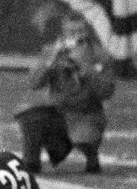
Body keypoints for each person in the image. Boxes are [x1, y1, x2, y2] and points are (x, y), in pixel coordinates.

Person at [15, 14, 116, 174]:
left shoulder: (99, 55)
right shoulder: (52, 51)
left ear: (87, 32)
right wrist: (50, 62)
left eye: (80, 31)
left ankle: (91, 156)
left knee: (85, 138)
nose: (76, 36)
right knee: (29, 116)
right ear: (63, 33)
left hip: (86, 115)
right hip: (59, 115)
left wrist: (86, 69)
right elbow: (34, 83)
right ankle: (31, 162)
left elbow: (107, 92)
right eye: (71, 32)